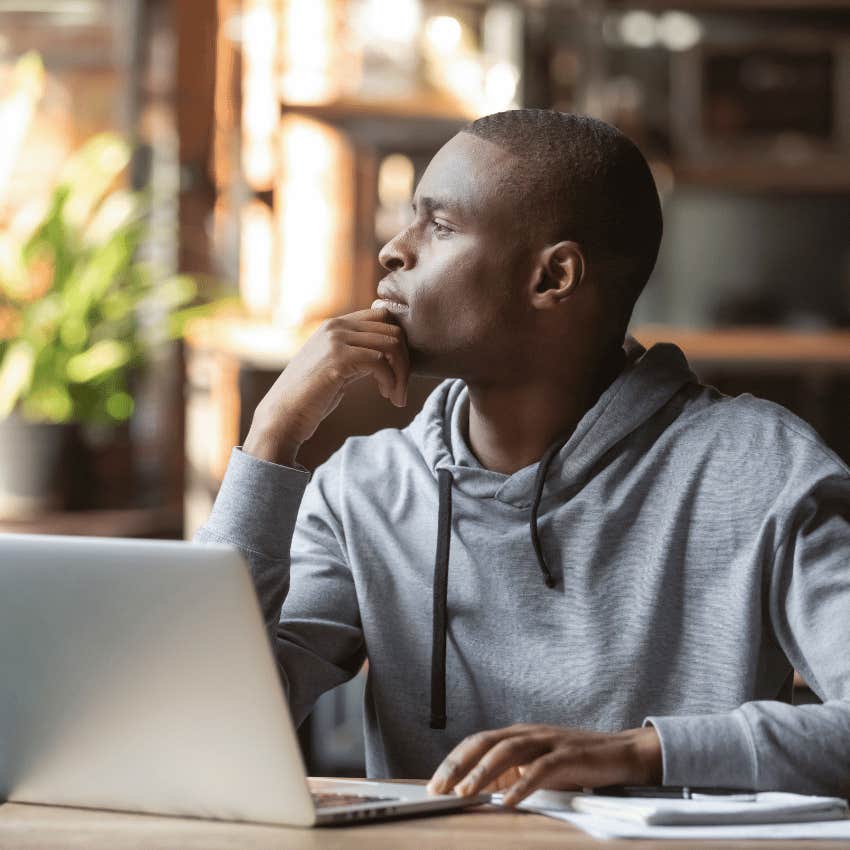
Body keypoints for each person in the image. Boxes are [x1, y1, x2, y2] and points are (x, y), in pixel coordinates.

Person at [196, 109, 850, 804]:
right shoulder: (366, 489)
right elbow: (203, 724)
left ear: (553, 278)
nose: (393, 249)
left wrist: (638, 753)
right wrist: (271, 436)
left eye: (439, 226)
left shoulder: (760, 469)